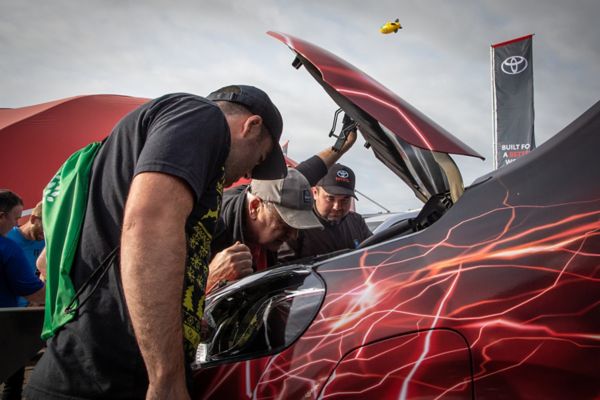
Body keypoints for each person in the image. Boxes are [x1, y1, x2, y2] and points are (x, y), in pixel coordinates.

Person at [25, 85, 287, 400]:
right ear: (251, 125)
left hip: (88, 367)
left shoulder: (140, 146)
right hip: (109, 379)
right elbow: (150, 222)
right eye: (257, 159)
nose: (249, 172)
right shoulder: (201, 116)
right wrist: (167, 380)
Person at [206, 130, 357, 293]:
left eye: (296, 227)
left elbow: (304, 174)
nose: (292, 236)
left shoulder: (269, 195)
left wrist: (342, 144)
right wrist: (211, 279)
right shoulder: (207, 227)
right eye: (285, 224)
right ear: (255, 207)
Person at [0, 190, 45, 400]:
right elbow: (33, 292)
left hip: (12, 321)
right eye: (16, 218)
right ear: (2, 216)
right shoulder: (8, 247)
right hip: (7, 324)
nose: (16, 224)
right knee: (12, 384)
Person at [285, 163, 372, 259]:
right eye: (330, 198)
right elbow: (282, 268)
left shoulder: (357, 222)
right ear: (314, 193)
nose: (337, 206)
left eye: (345, 200)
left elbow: (375, 253)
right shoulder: (296, 224)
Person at [6, 201, 45, 306]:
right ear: (33, 219)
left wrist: (35, 301)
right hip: (6, 307)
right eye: (43, 229)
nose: (45, 235)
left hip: (27, 308)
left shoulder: (46, 243)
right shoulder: (7, 236)